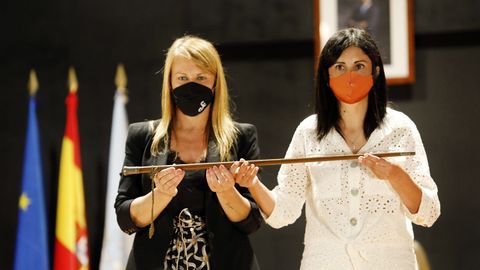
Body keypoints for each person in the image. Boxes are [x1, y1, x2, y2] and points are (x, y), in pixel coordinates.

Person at [235, 28, 440, 269]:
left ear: (375, 72)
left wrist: (395, 175)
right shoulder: (308, 133)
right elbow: (283, 213)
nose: (350, 76)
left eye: (359, 66)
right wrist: (252, 184)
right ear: (327, 75)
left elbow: (429, 212)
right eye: (340, 67)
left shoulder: (401, 128)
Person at [115, 35, 262, 270]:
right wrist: (160, 195)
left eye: (201, 77)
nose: (191, 85)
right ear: (170, 83)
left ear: (215, 83)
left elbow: (251, 222)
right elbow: (125, 218)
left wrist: (227, 192)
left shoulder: (241, 136)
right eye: (182, 78)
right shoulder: (141, 136)